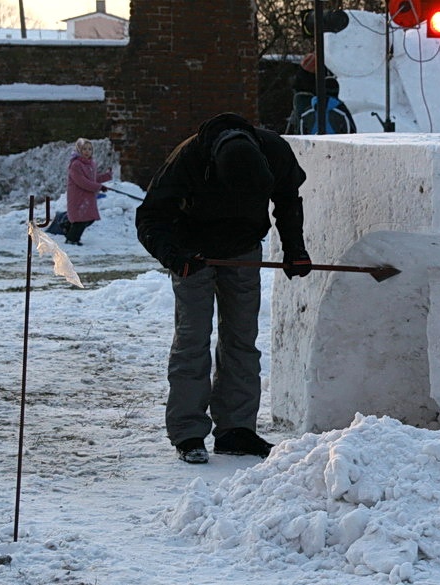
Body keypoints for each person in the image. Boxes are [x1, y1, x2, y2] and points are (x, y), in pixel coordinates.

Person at [135, 112, 312, 464]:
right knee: (192, 339)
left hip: (244, 250)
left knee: (242, 338)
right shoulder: (188, 159)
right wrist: (175, 256)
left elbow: (288, 200)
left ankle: (236, 430)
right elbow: (150, 218)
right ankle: (188, 431)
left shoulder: (275, 151)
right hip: (193, 251)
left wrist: (295, 250)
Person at [66, 138, 112, 245]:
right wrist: (99, 187)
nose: (87, 151)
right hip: (78, 196)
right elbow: (82, 182)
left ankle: (68, 229)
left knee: (89, 218)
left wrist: (107, 176)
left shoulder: (91, 164)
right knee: (80, 219)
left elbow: (93, 178)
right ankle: (72, 239)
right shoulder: (75, 164)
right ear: (78, 150)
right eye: (84, 149)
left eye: (89, 149)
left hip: (88, 196)